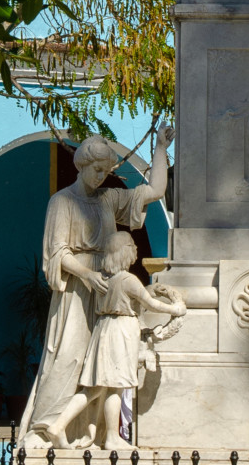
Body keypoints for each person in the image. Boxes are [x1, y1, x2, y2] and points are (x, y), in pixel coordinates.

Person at [16, 128, 171, 448]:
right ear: (81, 166)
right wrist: (86, 275)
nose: (102, 177)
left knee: (102, 362)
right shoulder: (62, 202)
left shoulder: (109, 199)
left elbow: (154, 190)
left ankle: (96, 433)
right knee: (69, 356)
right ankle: (46, 427)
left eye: (106, 171)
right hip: (76, 290)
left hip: (106, 291)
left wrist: (159, 147)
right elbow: (57, 252)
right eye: (97, 170)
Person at [38, 232, 186, 451]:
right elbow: (151, 303)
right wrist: (175, 308)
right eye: (133, 246)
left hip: (103, 330)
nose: (136, 250)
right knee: (113, 388)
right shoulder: (128, 280)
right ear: (124, 251)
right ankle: (108, 437)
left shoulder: (103, 278)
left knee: (96, 389)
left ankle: (64, 427)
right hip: (121, 332)